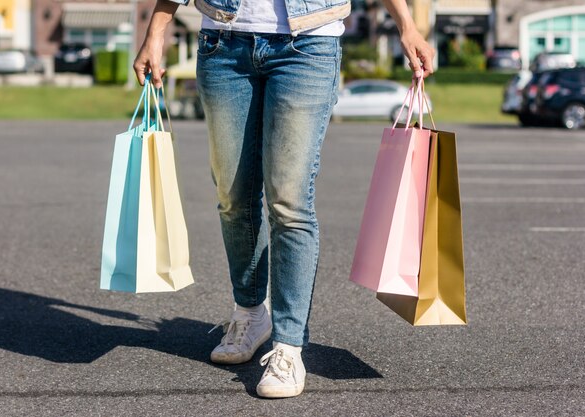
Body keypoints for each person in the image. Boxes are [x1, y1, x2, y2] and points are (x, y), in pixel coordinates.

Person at [134, 0, 434, 399]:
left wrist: (406, 25)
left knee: (289, 201)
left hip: (308, 44)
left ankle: (289, 345)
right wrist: (156, 31)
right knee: (232, 196)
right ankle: (250, 313)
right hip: (224, 42)